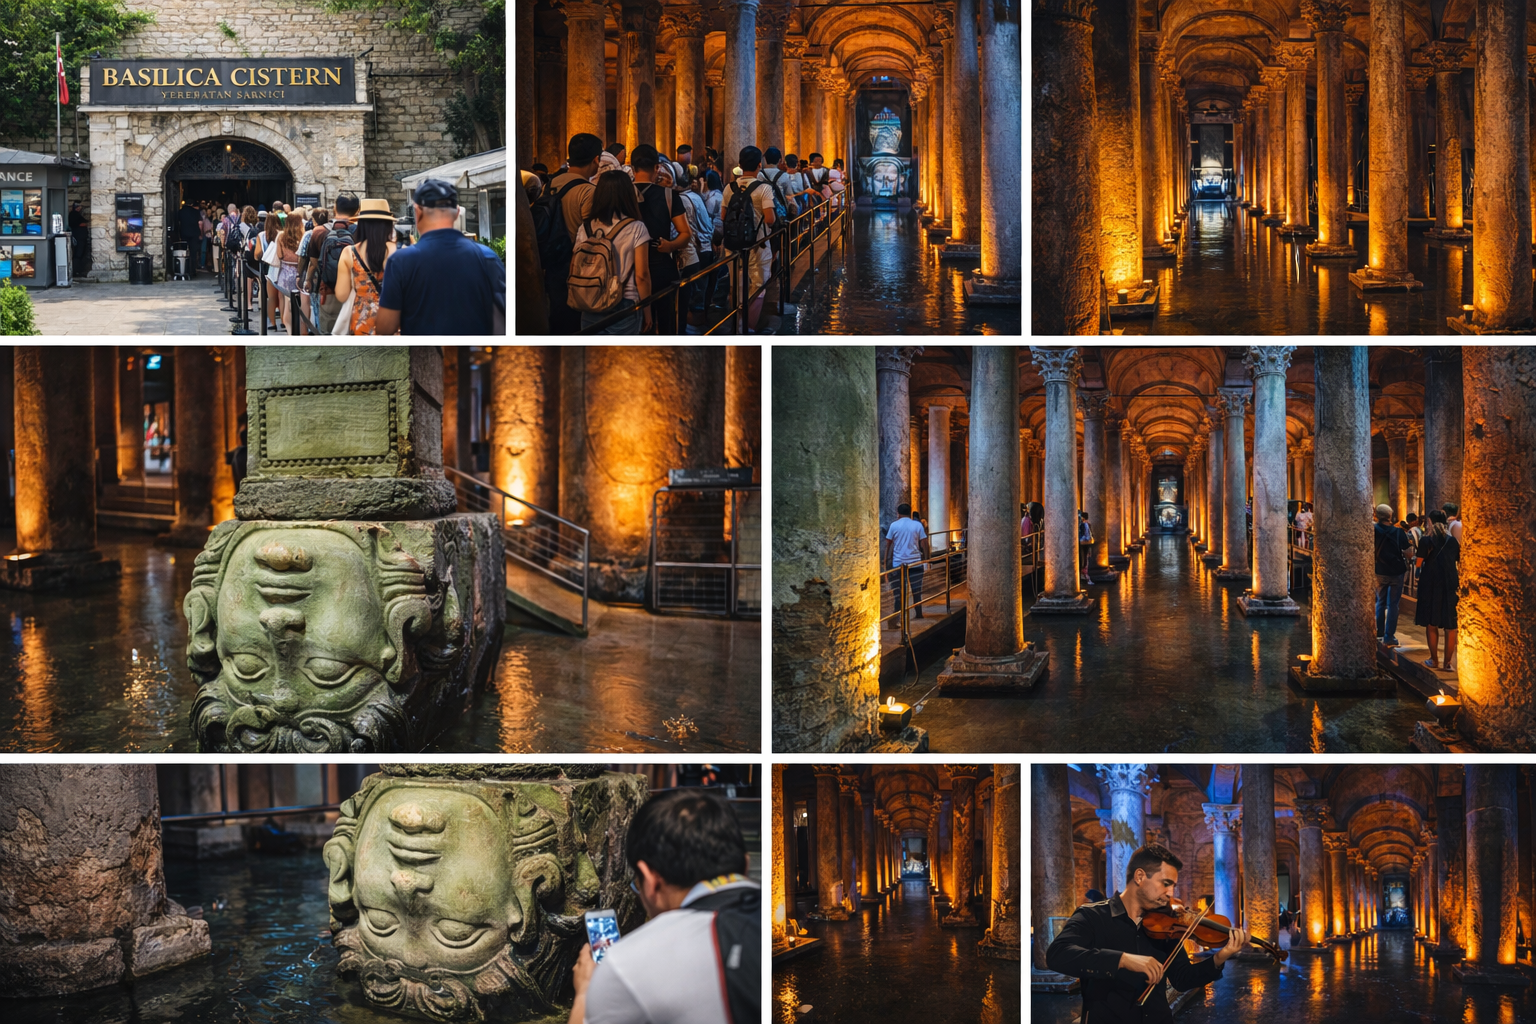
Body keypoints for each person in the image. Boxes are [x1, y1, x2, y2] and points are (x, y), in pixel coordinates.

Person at [568, 788, 759, 1024]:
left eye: (637, 885)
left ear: (650, 881)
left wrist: (585, 992)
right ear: (745, 865)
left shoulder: (627, 964)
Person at [1046, 844, 1247, 1024]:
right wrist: (1122, 960)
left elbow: (1182, 979)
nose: (1171, 893)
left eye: (1173, 886)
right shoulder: (1092, 916)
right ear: (1140, 877)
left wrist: (1221, 956)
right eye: (1165, 883)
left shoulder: (1165, 924)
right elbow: (1058, 955)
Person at [375, 178, 505, 335]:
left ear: (417, 211)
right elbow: (503, 323)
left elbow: (385, 328)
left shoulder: (400, 261)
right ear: (457, 213)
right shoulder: (487, 257)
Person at [570, 170, 652, 333]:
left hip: (589, 301)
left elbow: (575, 264)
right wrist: (647, 311)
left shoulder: (585, 227)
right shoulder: (636, 228)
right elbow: (642, 276)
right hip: (625, 303)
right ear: (628, 194)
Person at [542, 133, 602, 333]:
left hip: (551, 261)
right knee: (576, 322)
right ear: (596, 160)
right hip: (578, 267)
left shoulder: (549, 185)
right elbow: (592, 234)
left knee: (557, 316)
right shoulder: (588, 191)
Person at [631, 144, 691, 335]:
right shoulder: (669, 195)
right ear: (657, 167)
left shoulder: (622, 195)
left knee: (635, 325)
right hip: (662, 267)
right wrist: (671, 246)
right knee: (666, 322)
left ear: (632, 168)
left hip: (629, 268)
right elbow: (686, 234)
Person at [332, 198, 397, 335]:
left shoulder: (349, 253)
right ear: (388, 224)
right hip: (393, 321)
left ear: (361, 224)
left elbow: (342, 295)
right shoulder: (399, 250)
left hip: (361, 323)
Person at [729, 146, 777, 332]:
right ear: (759, 165)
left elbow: (723, 216)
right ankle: (748, 327)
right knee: (758, 285)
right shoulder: (764, 188)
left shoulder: (729, 188)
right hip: (758, 244)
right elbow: (770, 219)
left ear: (740, 165)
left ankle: (737, 325)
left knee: (737, 284)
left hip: (733, 244)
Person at [1415, 509, 1461, 671]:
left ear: (1430, 522)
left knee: (1431, 622)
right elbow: (1457, 560)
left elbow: (1419, 562)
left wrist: (1418, 569)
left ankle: (1434, 660)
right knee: (1450, 624)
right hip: (1450, 583)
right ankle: (1447, 663)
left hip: (1431, 582)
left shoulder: (1426, 540)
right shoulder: (1453, 541)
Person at [315, 193, 360, 334]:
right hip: (356, 294)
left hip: (328, 293)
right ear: (358, 210)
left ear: (335, 207)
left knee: (329, 333)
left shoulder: (319, 231)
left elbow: (315, 262)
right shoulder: (362, 232)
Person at [1373, 504, 1413, 648]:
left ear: (1376, 515)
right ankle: (1389, 636)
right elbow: (1409, 553)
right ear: (1390, 516)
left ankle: (1379, 632)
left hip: (1379, 570)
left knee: (1380, 602)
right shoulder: (1398, 532)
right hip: (1396, 571)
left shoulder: (1372, 530)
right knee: (1393, 605)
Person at [883, 503, 930, 620]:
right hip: (915, 562)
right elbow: (924, 543)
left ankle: (898, 617)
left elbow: (888, 545)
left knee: (899, 593)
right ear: (910, 512)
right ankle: (918, 614)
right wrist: (927, 560)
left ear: (898, 513)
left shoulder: (894, 525)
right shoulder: (917, 525)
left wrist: (885, 562)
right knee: (916, 590)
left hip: (898, 563)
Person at [271, 205, 305, 334]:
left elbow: (279, 255)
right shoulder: (303, 236)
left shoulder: (281, 236)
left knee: (287, 304)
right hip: (300, 272)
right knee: (301, 305)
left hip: (285, 272)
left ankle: (290, 332)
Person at [1079, 510, 1094, 584]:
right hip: (1086, 544)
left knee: (1083, 559)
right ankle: (1086, 576)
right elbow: (1090, 535)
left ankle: (1085, 576)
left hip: (1082, 543)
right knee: (1085, 559)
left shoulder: (1083, 524)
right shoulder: (1087, 524)